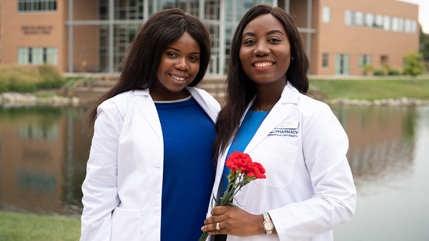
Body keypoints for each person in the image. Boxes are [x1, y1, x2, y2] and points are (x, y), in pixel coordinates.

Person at [201, 4, 356, 241]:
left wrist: (262, 223)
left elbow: (340, 202)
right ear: (239, 54)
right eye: (250, 42)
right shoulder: (229, 117)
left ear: (292, 50)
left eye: (274, 40)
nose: (261, 49)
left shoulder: (313, 116)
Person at [80, 8, 220, 241]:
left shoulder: (209, 106)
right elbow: (99, 194)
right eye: (172, 54)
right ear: (151, 53)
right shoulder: (118, 111)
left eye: (193, 58)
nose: (183, 65)